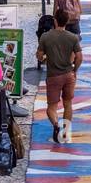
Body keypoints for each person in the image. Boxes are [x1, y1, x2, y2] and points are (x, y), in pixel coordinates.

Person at [36, 8, 83, 145]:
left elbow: (39, 55)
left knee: (51, 107)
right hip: (68, 75)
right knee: (68, 104)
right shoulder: (73, 37)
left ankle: (56, 125)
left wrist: (45, 59)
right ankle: (65, 131)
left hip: (53, 76)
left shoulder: (45, 37)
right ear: (67, 21)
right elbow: (79, 57)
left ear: (55, 21)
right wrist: (75, 69)